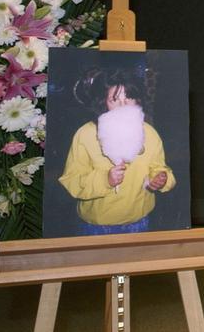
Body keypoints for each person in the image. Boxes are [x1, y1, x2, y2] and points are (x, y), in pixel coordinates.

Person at [58, 67, 175, 235]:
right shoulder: (85, 134)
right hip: (97, 225)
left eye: (129, 98)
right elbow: (72, 180)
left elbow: (159, 168)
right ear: (103, 102)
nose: (123, 105)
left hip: (139, 220)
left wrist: (161, 179)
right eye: (114, 99)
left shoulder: (149, 133)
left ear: (138, 100)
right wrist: (105, 179)